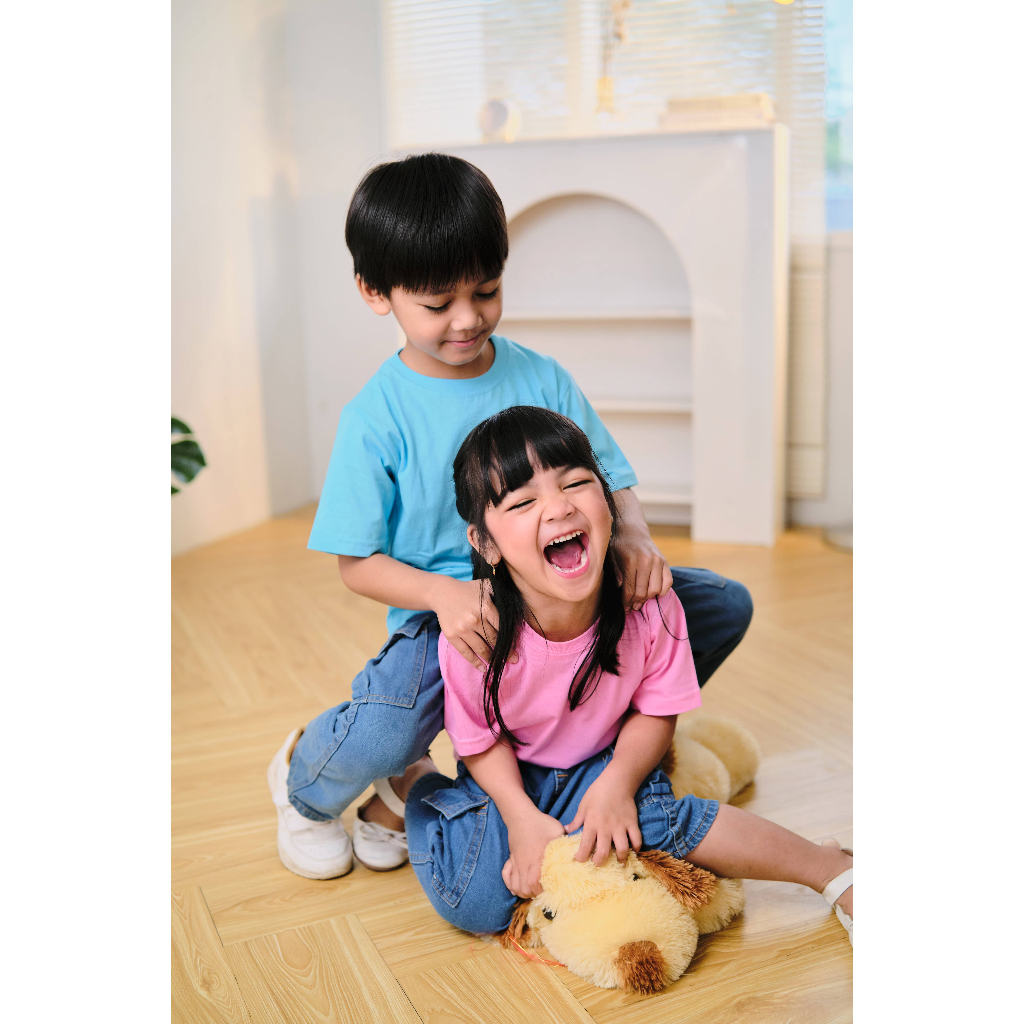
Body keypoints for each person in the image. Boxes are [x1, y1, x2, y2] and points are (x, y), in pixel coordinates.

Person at [267, 153, 754, 881]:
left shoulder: (542, 376)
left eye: (486, 291)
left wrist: (635, 539)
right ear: (376, 292)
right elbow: (356, 563)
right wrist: (443, 595)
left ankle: (595, 739)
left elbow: (611, 477)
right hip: (453, 615)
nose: (468, 319)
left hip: (566, 593)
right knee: (388, 727)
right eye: (438, 304)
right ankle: (306, 781)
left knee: (719, 604)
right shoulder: (375, 417)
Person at [401, 406, 853, 943]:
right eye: (523, 502)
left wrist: (618, 782)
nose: (559, 507)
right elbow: (479, 742)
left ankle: (832, 869)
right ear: (486, 544)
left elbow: (657, 710)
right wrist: (519, 817)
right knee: (474, 901)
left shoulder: (650, 603)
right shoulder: (477, 631)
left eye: (576, 483)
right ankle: (412, 777)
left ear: (609, 501)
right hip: (511, 771)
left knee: (657, 822)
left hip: (604, 756)